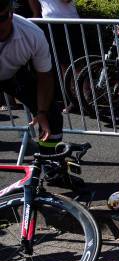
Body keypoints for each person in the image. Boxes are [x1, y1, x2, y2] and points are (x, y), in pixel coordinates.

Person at [0, 0, 62, 154]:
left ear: (11, 14)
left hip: (12, 73)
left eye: (1, 19)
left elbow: (45, 76)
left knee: (51, 113)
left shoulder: (33, 34)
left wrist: (41, 112)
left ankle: (50, 162)